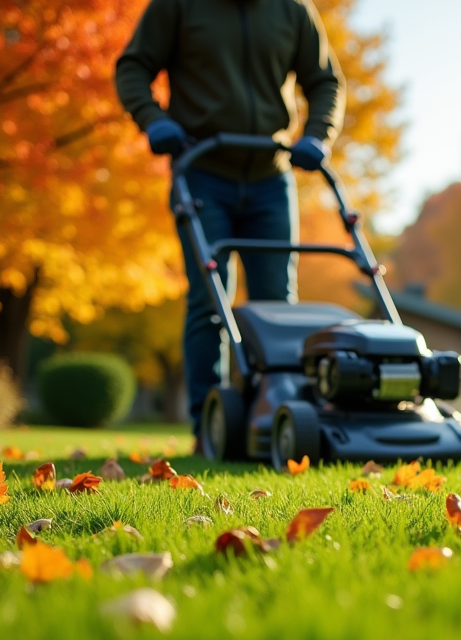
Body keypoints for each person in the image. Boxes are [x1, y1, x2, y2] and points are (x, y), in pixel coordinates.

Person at [115, 0, 345, 447]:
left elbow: (324, 81)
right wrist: (153, 119)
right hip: (201, 168)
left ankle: (276, 418)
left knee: (277, 305)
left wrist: (317, 133)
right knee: (209, 300)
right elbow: (133, 66)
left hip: (270, 177)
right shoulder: (178, 6)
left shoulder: (292, 9)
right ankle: (210, 429)